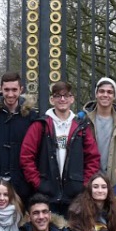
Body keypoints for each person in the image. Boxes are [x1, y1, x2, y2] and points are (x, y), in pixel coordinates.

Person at [20, 81, 101, 215]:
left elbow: (93, 158)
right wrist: (38, 183)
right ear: (52, 100)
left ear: (72, 99)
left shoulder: (81, 126)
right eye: (58, 96)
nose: (62, 99)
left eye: (66, 95)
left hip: (75, 196)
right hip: (47, 195)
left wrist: (84, 184)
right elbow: (26, 157)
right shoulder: (41, 125)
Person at [0, 71, 39, 199]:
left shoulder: (31, 116)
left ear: (21, 89)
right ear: (1, 89)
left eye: (14, 90)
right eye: (7, 90)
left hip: (24, 183)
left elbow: (36, 150)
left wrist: (30, 177)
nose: (10, 94)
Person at [82, 77, 116, 185]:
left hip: (115, 183)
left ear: (114, 96)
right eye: (101, 91)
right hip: (88, 181)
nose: (105, 95)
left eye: (109, 92)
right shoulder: (83, 119)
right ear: (96, 94)